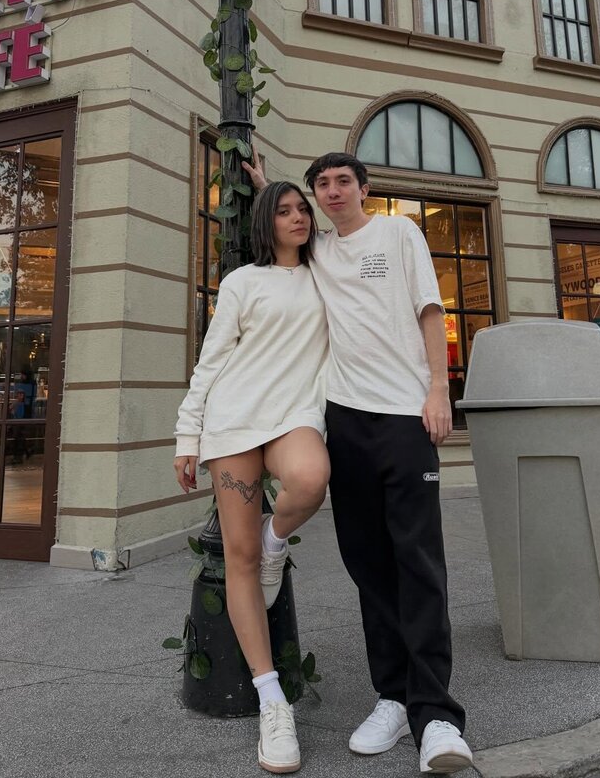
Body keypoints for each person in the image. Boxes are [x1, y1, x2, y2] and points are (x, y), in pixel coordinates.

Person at [244, 149, 472, 775]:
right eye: (322, 184)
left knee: (417, 562)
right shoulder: (318, 249)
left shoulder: (400, 233)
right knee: (368, 564)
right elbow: (284, 215)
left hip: (405, 416)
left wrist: (438, 389)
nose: (333, 190)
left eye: (343, 180)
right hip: (344, 421)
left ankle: (438, 717)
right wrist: (265, 183)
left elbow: (431, 310)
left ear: (364, 188)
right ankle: (393, 697)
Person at [174, 182, 330, 775]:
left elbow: (342, 230)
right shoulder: (243, 282)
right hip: (235, 420)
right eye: (284, 212)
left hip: (294, 416)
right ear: (267, 223)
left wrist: (271, 183)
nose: (298, 218)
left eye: (303, 210)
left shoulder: (326, 272)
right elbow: (212, 360)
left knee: (310, 480)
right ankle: (271, 700)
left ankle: (276, 537)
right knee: (238, 558)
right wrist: (187, 436)